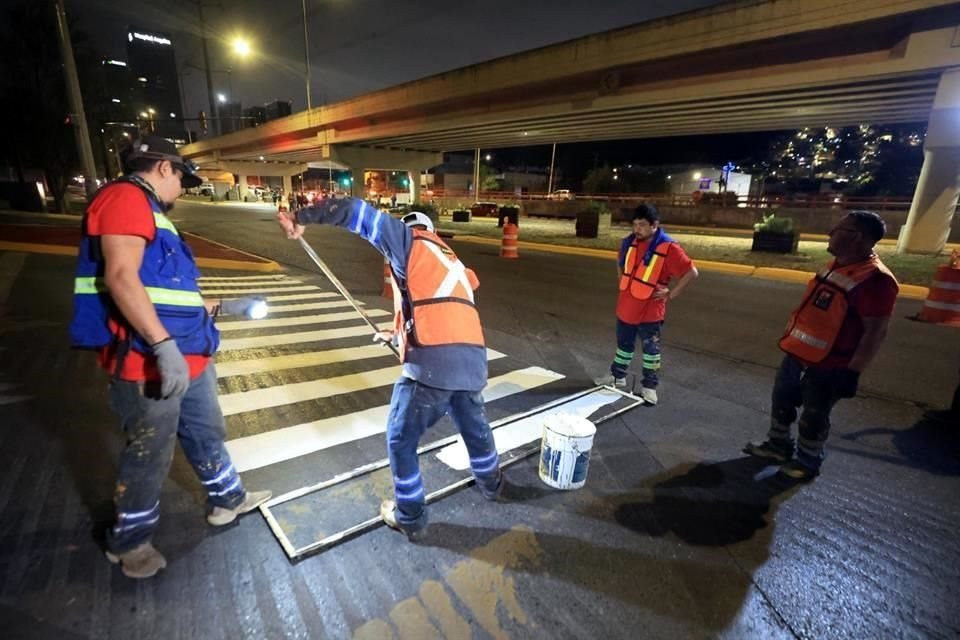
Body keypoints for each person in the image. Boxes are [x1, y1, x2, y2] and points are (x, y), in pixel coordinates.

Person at [69, 136, 271, 578]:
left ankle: (227, 500)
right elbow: (121, 278)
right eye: (183, 176)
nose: (184, 185)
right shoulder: (125, 198)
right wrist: (162, 347)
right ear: (164, 168)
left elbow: (166, 293)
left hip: (190, 356)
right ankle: (129, 543)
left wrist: (220, 306)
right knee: (151, 452)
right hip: (149, 362)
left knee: (206, 432)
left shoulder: (155, 214)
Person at [277, 200, 502, 541]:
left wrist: (300, 217)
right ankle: (492, 484)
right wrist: (395, 336)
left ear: (411, 227)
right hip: (471, 363)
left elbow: (354, 211)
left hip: (431, 368)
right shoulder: (452, 262)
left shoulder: (409, 240)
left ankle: (410, 517)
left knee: (400, 438)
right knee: (474, 429)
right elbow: (437, 310)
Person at [744, 211, 899, 480]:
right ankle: (777, 446)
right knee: (782, 402)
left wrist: (853, 372)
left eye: (838, 229)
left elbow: (876, 331)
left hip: (831, 365)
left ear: (857, 237)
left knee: (814, 416)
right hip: (798, 354)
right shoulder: (835, 264)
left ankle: (807, 462)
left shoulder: (875, 280)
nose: (830, 233)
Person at [594, 203, 698, 405]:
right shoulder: (629, 242)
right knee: (624, 346)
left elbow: (691, 272)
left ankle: (649, 387)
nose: (637, 229)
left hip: (650, 314)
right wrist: (623, 282)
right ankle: (617, 377)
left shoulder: (669, 248)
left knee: (651, 352)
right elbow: (620, 261)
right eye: (635, 224)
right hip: (626, 307)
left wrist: (671, 293)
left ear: (655, 225)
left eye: (642, 225)